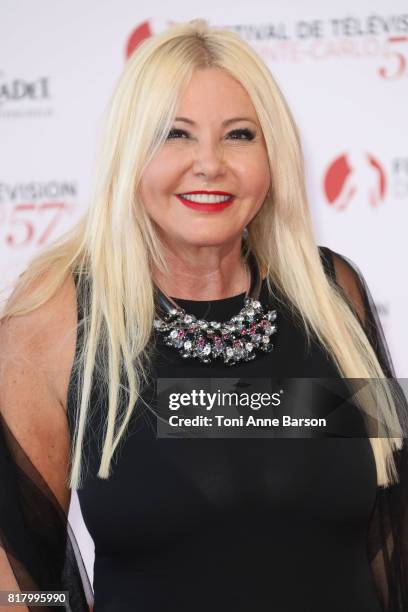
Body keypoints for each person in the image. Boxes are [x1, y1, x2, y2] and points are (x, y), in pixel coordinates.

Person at [0, 18, 407, 612]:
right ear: (128, 152)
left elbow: (387, 537)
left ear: (273, 153)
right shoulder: (55, 320)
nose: (210, 164)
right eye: (175, 134)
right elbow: (20, 581)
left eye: (239, 135)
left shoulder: (329, 294)